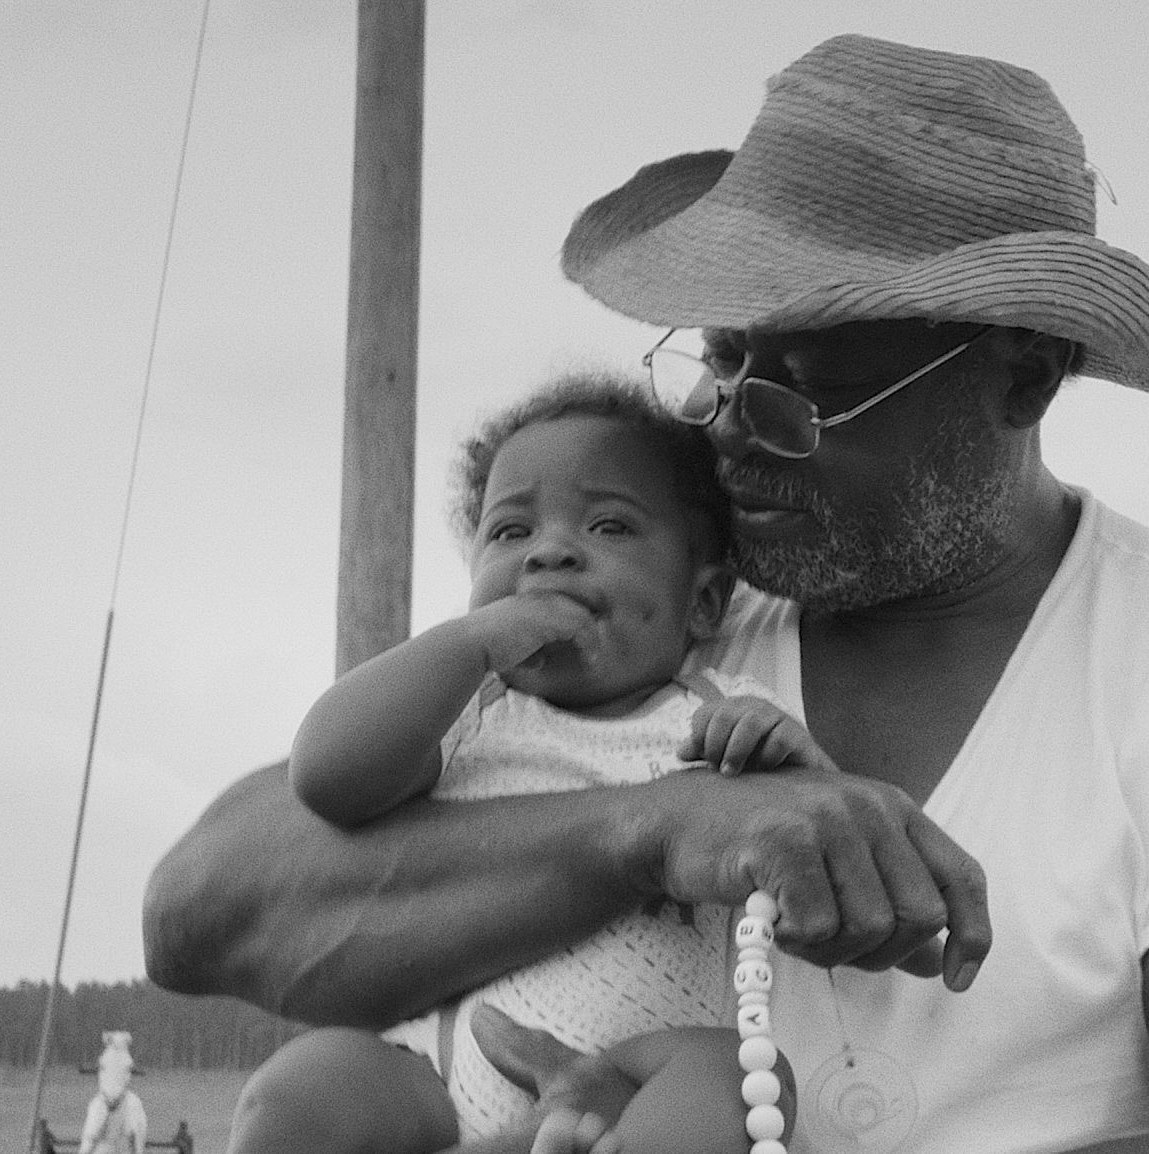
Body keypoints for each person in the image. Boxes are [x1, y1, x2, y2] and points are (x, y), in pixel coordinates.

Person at [149, 33, 1149, 1154]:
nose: (729, 426)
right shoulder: (657, 616)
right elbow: (209, 908)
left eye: (811, 379)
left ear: (1024, 372)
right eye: (724, 360)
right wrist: (659, 829)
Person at [244, 375, 812, 1153]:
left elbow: (820, 845)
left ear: (705, 603)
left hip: (638, 1076)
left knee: (741, 1081)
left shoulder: (720, 713)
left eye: (610, 526)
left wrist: (785, 760)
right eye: (510, 533)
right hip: (444, 1074)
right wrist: (469, 644)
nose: (550, 551)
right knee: (301, 1088)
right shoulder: (467, 717)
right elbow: (328, 774)